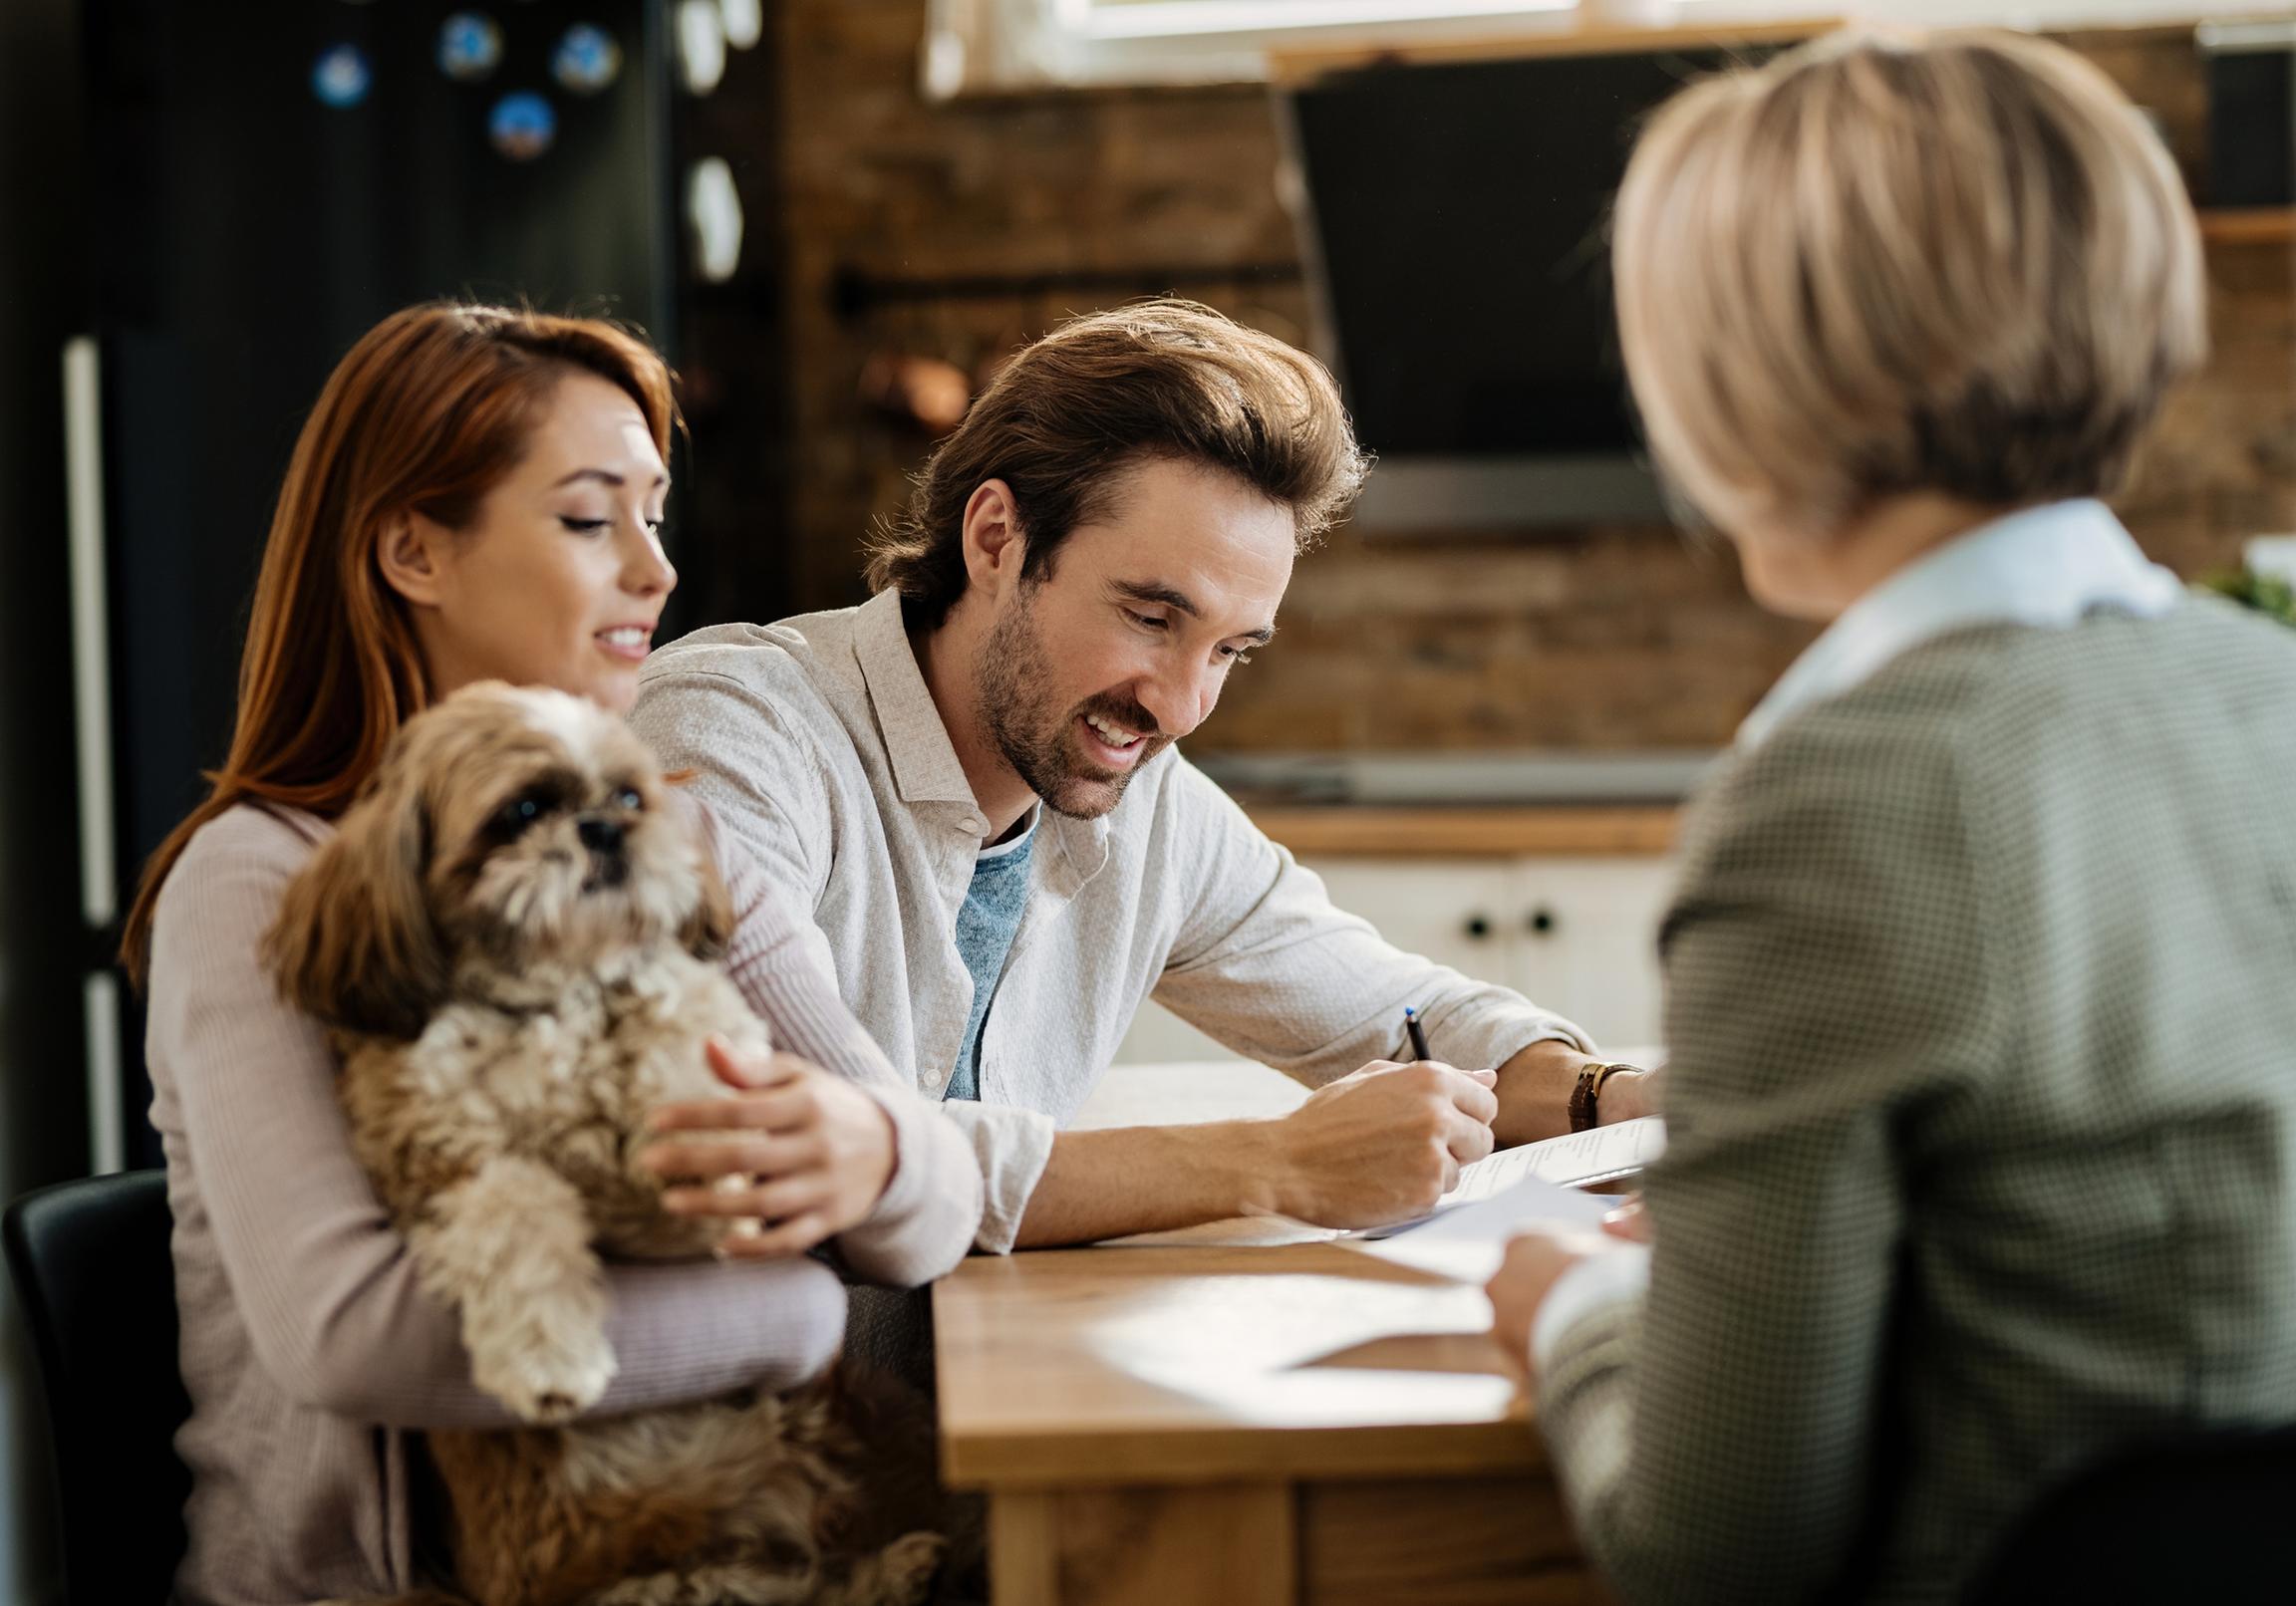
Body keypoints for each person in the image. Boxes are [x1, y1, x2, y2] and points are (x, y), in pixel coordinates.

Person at [1482, 28, 2296, 1605]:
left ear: (1735, 383)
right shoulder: (2266, 687)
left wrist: (1570, 1312)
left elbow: (1716, 1547)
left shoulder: (1838, 803)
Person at [121, 304, 982, 1606]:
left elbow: (931, 1199)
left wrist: (877, 1151)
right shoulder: (263, 875)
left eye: (654, 515)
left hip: (731, 1540)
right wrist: (797, 1317)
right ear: (414, 549)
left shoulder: (667, 829)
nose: (657, 571)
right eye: (591, 520)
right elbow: (355, 1338)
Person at [631, 299, 1658, 1258]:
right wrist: (1274, 1164)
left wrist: (1607, 1100)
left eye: (1230, 651)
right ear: (996, 538)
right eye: (1152, 618)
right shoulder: (734, 730)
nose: (1180, 706)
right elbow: (808, 1149)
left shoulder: (1141, 801)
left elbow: (1393, 1014)